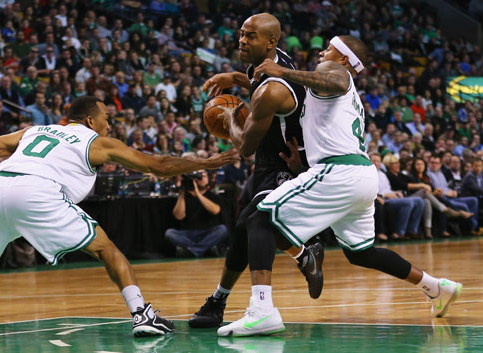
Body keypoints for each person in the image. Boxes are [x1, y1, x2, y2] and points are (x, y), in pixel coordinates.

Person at [0, 96, 237, 338]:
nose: (109, 124)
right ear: (91, 120)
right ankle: (142, 314)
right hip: (37, 192)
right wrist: (205, 162)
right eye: (107, 118)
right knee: (108, 250)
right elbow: (157, 164)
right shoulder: (96, 141)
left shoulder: (36, 130)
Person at [216, 35, 462, 336]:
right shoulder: (321, 86)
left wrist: (284, 71)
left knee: (258, 220)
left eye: (330, 48)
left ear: (344, 59)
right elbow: (290, 92)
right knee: (361, 253)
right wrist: (240, 79)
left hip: (338, 172)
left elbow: (336, 81)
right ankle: (435, 287)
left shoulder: (339, 75)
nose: (322, 51)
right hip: (359, 175)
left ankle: (262, 309)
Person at [188, 13, 323, 330]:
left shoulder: (273, 88)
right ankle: (218, 302)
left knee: (255, 223)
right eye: (241, 34)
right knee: (239, 230)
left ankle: (266, 301)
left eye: (250, 36)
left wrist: (229, 119)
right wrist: (235, 79)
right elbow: (258, 83)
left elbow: (244, 147)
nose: (242, 41)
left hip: (286, 161)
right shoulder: (269, 64)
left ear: (271, 42)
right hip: (267, 157)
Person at [165, 170, 229, 257]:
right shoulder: (185, 196)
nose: (201, 178)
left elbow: (215, 210)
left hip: (208, 233)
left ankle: (192, 250)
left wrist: (198, 194)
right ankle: (203, 249)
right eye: (198, 176)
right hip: (188, 234)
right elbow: (179, 216)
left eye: (204, 176)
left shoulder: (213, 196)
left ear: (209, 179)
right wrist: (182, 195)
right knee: (170, 233)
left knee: (222, 229)